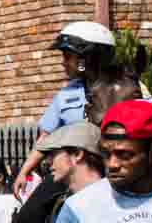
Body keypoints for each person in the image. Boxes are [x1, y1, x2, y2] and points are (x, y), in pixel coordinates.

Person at [17, 21, 133, 184]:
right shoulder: (65, 94)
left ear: (86, 58)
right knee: (32, 210)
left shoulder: (128, 89)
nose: (63, 62)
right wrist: (24, 171)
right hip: (74, 176)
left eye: (67, 56)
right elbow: (45, 137)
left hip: (118, 174)